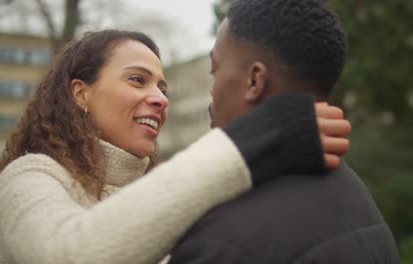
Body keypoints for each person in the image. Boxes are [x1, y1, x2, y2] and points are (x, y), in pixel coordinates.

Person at [0, 30, 351, 264]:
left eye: (163, 88)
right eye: (137, 80)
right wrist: (244, 143)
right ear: (81, 93)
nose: (159, 99)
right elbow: (71, 255)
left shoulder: (162, 191)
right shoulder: (28, 177)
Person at [167, 0, 400, 263]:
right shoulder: (357, 198)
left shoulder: (222, 240)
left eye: (215, 69)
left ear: (254, 80)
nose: (212, 89)